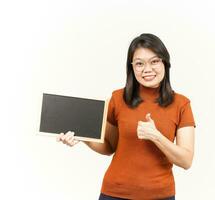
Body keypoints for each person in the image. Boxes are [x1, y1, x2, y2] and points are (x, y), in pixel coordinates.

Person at [57, 33, 196, 200]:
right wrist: (83, 136)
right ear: (131, 67)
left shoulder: (181, 104)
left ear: (165, 62)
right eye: (139, 63)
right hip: (114, 193)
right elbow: (109, 147)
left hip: (160, 195)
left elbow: (186, 161)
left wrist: (156, 136)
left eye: (154, 61)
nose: (147, 69)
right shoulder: (117, 99)